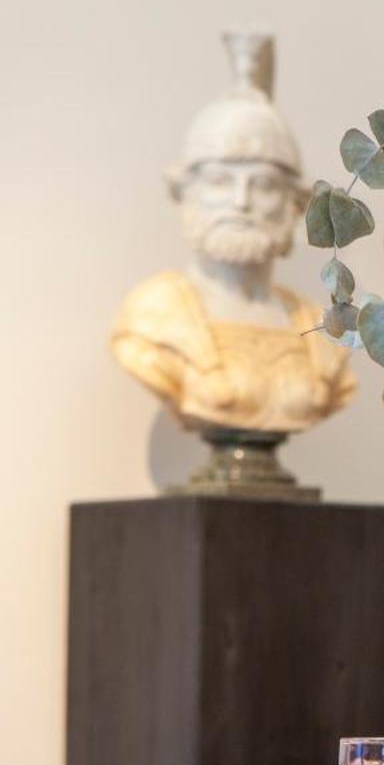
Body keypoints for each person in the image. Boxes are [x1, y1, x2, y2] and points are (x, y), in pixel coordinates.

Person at [110, 31, 353, 484]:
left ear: (293, 204)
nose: (241, 202)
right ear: (186, 194)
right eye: (221, 181)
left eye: (263, 185)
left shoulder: (318, 327)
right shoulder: (153, 316)